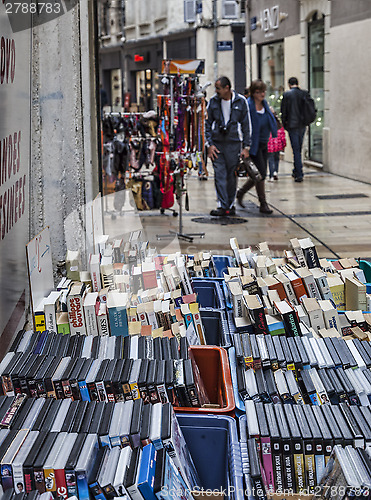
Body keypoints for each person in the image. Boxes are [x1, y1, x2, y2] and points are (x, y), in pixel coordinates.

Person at [205, 76, 251, 216]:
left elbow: (246, 125)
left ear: (227, 88)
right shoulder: (213, 102)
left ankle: (230, 205)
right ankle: (222, 205)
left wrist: (246, 147)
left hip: (234, 144)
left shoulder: (240, 101)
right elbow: (206, 124)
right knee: (219, 174)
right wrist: (209, 145)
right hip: (217, 144)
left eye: (218, 88)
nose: (216, 91)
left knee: (232, 175)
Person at [236, 79, 277, 214]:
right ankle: (263, 204)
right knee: (261, 174)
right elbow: (244, 126)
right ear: (253, 93)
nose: (262, 94)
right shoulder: (248, 106)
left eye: (263, 91)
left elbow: (272, 123)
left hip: (264, 143)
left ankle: (241, 192)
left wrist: (272, 114)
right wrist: (245, 146)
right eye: (259, 92)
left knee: (258, 174)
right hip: (253, 145)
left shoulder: (265, 106)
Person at [280, 77, 306, 182]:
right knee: (298, 149)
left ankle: (299, 173)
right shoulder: (304, 93)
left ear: (289, 84)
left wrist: (285, 124)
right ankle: (296, 170)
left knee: (296, 150)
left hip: (292, 125)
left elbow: (283, 111)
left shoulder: (287, 95)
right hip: (302, 125)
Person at [267, 109, 286, 181]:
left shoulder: (267, 124)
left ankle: (271, 175)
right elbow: (283, 137)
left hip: (270, 146)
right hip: (278, 146)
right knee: (276, 159)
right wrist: (283, 145)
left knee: (270, 160)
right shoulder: (279, 125)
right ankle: (275, 172)